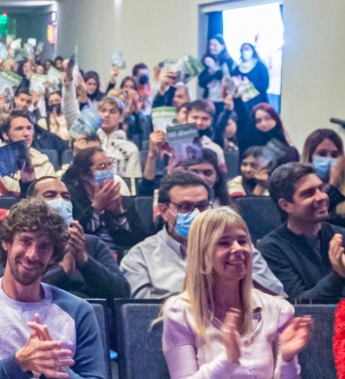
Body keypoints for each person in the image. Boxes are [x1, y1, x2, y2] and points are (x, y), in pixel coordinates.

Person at [0, 199, 106, 378]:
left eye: (44, 246)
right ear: (6, 243)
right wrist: (19, 363)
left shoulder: (79, 311)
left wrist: (57, 369)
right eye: (25, 241)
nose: (32, 254)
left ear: (54, 256)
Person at [161, 207, 312, 378]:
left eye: (242, 241)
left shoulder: (278, 309)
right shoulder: (179, 312)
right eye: (223, 242)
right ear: (202, 253)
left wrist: (287, 358)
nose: (238, 249)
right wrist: (228, 359)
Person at [121, 171, 283, 299]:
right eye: (185, 207)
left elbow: (277, 297)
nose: (197, 214)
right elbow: (141, 317)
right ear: (164, 211)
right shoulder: (140, 257)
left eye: (202, 206)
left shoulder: (237, 246)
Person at [0, 175, 131, 299]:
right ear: (32, 202)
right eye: (51, 195)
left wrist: (84, 261)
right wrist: (62, 271)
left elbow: (122, 293)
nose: (60, 201)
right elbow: (1, 291)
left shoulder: (92, 243)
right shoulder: (16, 241)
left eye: (66, 197)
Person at [259, 162, 345, 299]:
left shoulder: (341, 235)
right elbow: (300, 303)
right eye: (309, 193)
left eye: (321, 189)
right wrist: (338, 275)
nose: (322, 197)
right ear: (286, 205)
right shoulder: (271, 248)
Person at [62, 147, 143, 251]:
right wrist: (96, 208)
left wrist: (119, 213)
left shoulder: (125, 201)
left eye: (110, 165)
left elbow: (140, 241)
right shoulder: (71, 200)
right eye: (102, 167)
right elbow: (74, 237)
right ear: (84, 174)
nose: (108, 171)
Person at [198, 34, 234, 113]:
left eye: (215, 45)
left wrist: (215, 68)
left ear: (222, 46)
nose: (212, 47)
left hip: (225, 98)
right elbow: (201, 82)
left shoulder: (228, 62)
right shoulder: (206, 61)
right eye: (210, 45)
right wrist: (212, 73)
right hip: (209, 98)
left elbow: (225, 78)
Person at [231, 42, 271, 109]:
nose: (244, 51)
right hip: (242, 104)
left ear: (252, 51)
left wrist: (249, 84)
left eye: (247, 49)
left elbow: (265, 85)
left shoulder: (260, 66)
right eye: (242, 49)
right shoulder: (236, 68)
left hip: (258, 102)